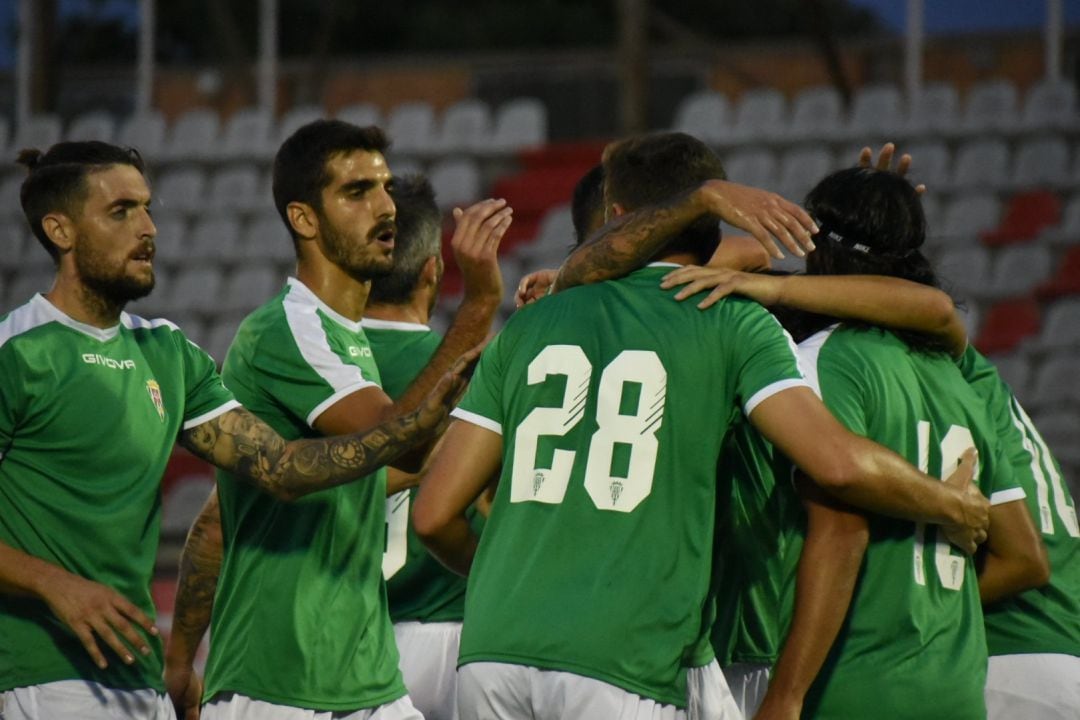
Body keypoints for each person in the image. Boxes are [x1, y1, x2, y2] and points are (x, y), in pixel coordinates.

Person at [412, 132, 988, 720]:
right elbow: (839, 464)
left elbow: (432, 515)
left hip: (492, 650)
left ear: (616, 218)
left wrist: (515, 586)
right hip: (638, 653)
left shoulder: (531, 324)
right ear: (718, 221)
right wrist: (953, 504)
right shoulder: (732, 319)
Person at [0, 142, 469, 720]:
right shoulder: (15, 353)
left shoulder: (166, 352)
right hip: (42, 672)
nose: (147, 227)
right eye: (120, 211)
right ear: (60, 230)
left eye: (148, 208)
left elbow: (284, 469)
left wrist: (414, 428)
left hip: (137, 677)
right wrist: (55, 585)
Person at [669, 167, 1045, 720]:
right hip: (956, 684)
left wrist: (786, 696)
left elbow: (839, 530)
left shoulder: (826, 358)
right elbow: (1023, 556)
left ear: (816, 249)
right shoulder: (954, 375)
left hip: (856, 682)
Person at [163, 121, 508, 720]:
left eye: (384, 188)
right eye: (356, 192)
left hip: (371, 675)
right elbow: (396, 441)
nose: (384, 207)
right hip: (278, 682)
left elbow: (397, 466)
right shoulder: (287, 329)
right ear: (303, 219)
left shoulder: (350, 340)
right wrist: (479, 305)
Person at [364, 174, 477, 720]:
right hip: (452, 636)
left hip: (343, 639)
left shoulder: (309, 363)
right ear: (433, 268)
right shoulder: (475, 372)